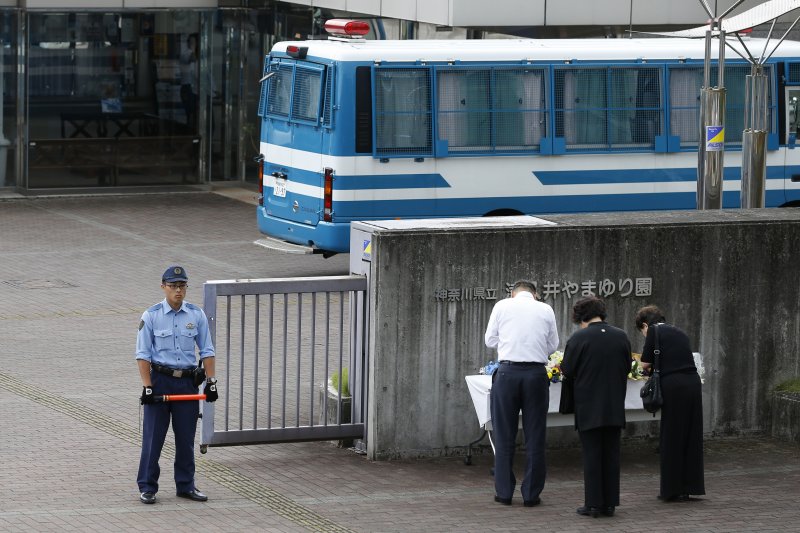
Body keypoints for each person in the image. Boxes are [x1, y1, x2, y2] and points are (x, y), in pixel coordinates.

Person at [136, 265, 218, 504]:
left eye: (182, 286)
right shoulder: (151, 315)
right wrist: (147, 386)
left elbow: (207, 350)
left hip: (187, 383)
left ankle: (185, 485)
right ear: (163, 287)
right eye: (173, 286)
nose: (178, 291)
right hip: (160, 381)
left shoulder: (196, 315)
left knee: (185, 438)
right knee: (153, 439)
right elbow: (143, 354)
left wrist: (211, 382)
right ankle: (148, 486)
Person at [484, 280, 559, 507]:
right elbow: (553, 345)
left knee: (504, 433)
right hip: (536, 374)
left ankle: (504, 493)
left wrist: (509, 344)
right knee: (535, 434)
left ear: (513, 292)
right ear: (534, 294)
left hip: (507, 373)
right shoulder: (545, 309)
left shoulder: (501, 306)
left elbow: (490, 340)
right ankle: (531, 494)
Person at [560, 297, 631, 518]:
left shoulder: (579, 338)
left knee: (592, 455)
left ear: (580, 316)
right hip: (614, 405)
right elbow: (628, 365)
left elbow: (568, 369)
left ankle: (593, 504)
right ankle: (610, 504)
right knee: (611, 454)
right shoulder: (621, 335)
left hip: (588, 405)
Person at [635, 305, 705, 502]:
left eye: (642, 330)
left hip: (674, 386)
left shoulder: (654, 331)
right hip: (692, 384)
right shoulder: (678, 331)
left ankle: (671, 489)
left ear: (645, 324)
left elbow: (646, 363)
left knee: (671, 436)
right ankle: (690, 486)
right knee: (691, 435)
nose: (643, 334)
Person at [180, 33, 199, 131]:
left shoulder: (200, 54)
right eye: (190, 42)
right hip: (187, 87)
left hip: (197, 88)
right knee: (190, 114)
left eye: (194, 42)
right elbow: (192, 58)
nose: (192, 43)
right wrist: (192, 48)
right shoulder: (186, 53)